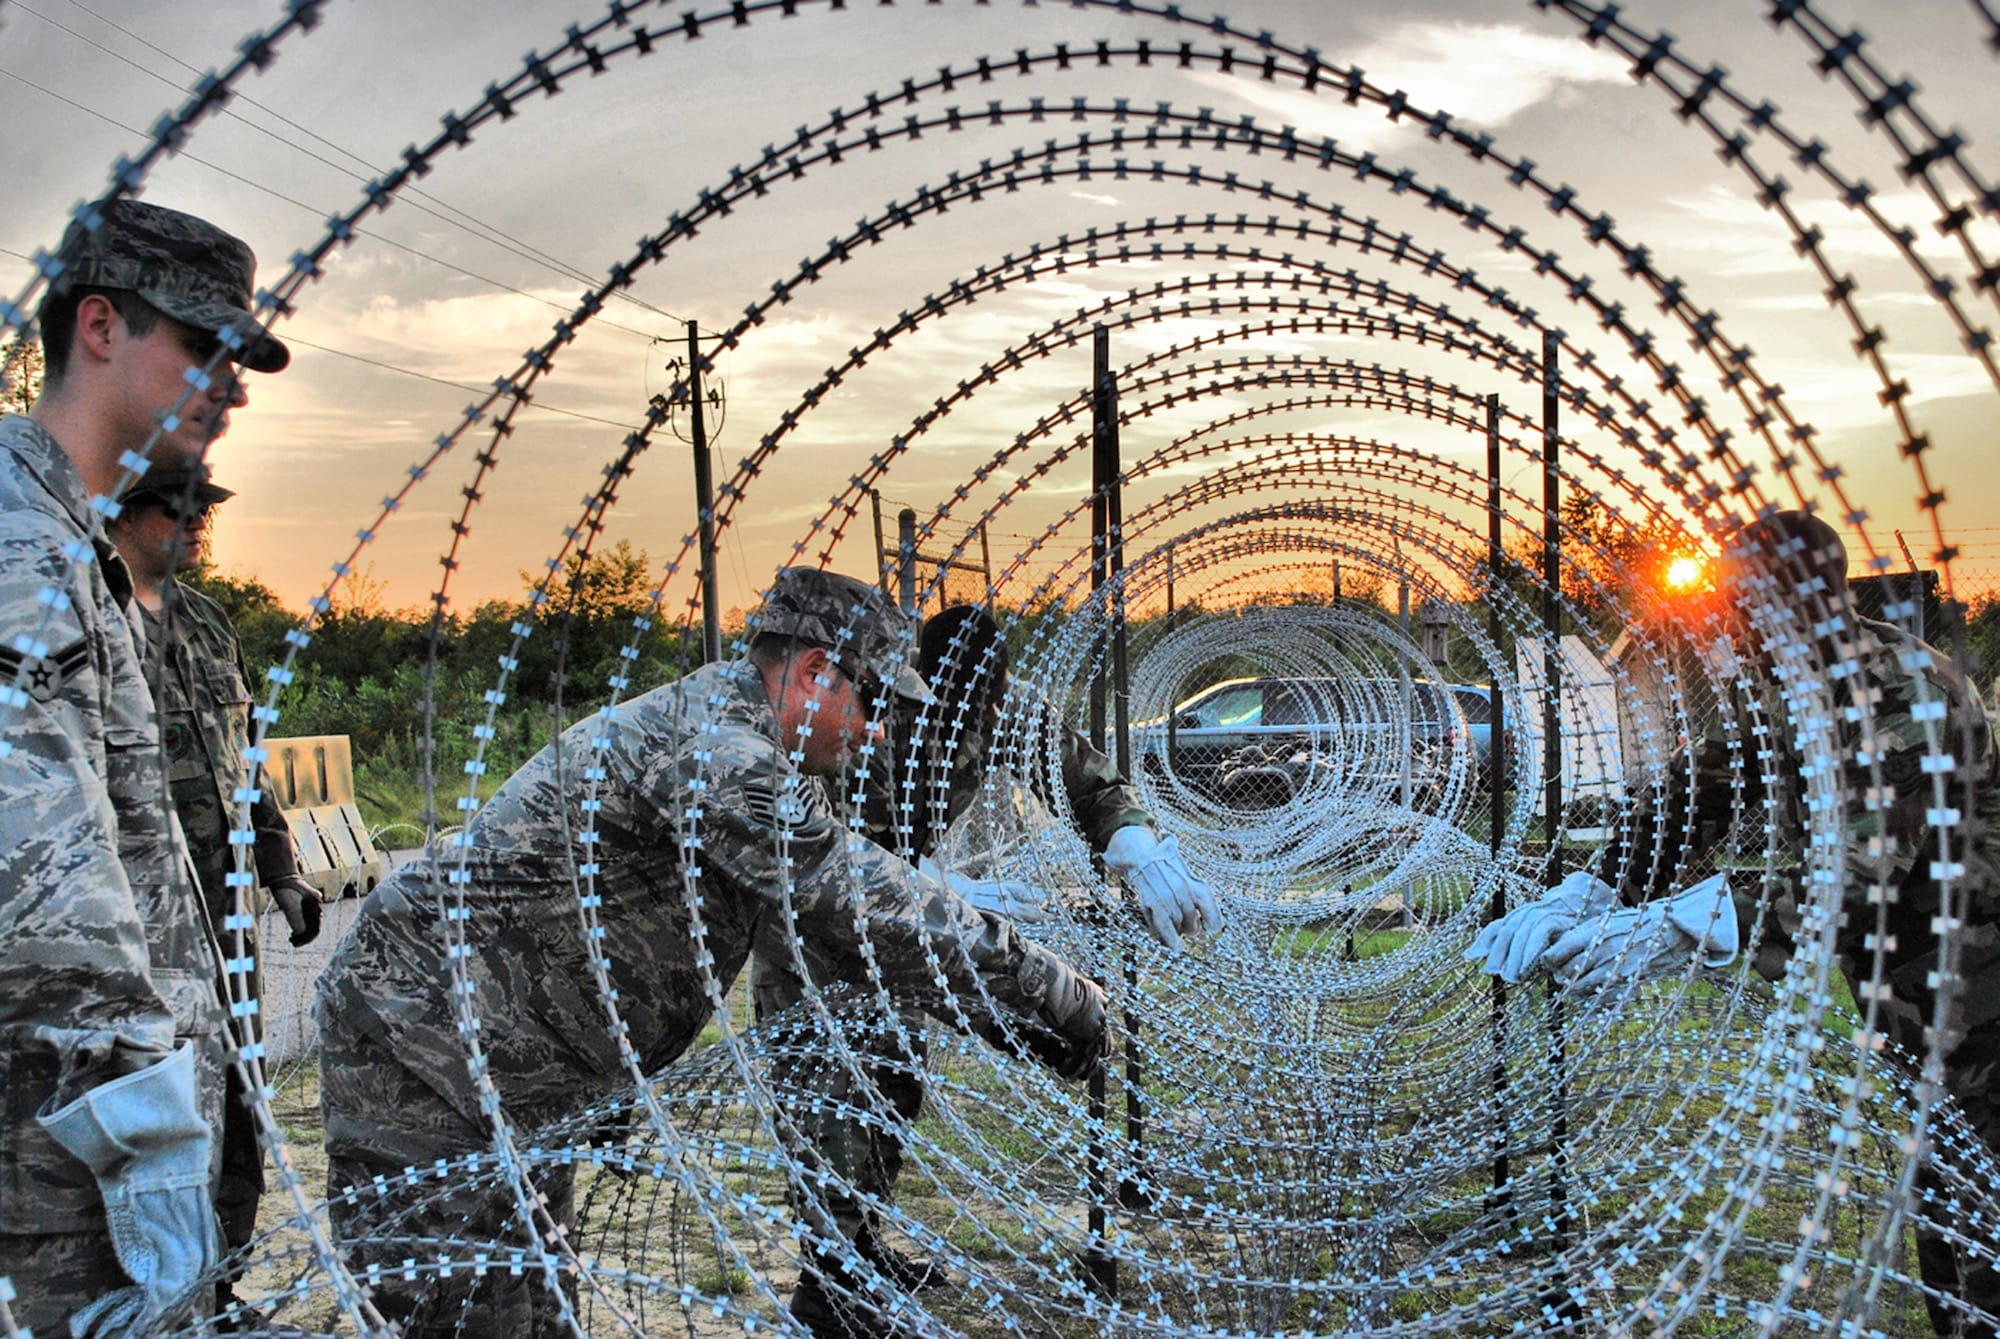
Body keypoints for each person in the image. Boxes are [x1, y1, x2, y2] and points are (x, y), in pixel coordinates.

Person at [314, 568, 1109, 1338]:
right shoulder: (718, 752)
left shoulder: (762, 748)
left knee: (532, 1310)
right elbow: (865, 899)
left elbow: (857, 929)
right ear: (815, 671)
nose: (873, 730)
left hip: (515, 1071)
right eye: (870, 703)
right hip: (423, 1047)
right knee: (465, 1315)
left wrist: (1006, 1005)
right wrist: (1054, 994)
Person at [1469, 509, 1999, 1337]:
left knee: (1982, 1214)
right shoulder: (1787, 682)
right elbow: (1700, 790)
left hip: (1975, 981)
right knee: (1951, 1201)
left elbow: (1869, 874)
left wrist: (1693, 923)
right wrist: (1591, 888)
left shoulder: (1902, 690)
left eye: (1748, 604)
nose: (1730, 623)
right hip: (1908, 989)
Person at [749, 602, 1220, 1330]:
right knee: (829, 1099)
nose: (977, 718)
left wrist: (1133, 841)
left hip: (903, 925)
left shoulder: (1000, 708)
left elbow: (1087, 781)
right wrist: (940, 887)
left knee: (892, 1081)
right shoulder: (873, 714)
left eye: (989, 699)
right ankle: (828, 1287)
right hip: (812, 927)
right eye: (961, 702)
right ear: (924, 680)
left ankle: (864, 1241)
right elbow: (813, 838)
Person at [0, 200, 289, 1337]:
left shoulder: (72, 547)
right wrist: (148, 1139)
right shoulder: (21, 548)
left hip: (93, 1147)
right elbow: (44, 893)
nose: (232, 385)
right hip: (61, 1160)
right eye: (204, 347)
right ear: (103, 325)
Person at [105, 460, 322, 1313]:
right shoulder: (93, 624)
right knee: (155, 1114)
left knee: (241, 1107)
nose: (200, 520)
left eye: (207, 506)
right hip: (141, 930)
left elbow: (250, 765)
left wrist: (283, 867)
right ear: (128, 508)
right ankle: (155, 1298)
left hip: (228, 924)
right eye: (181, 504)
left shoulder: (206, 623)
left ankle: (221, 1289)